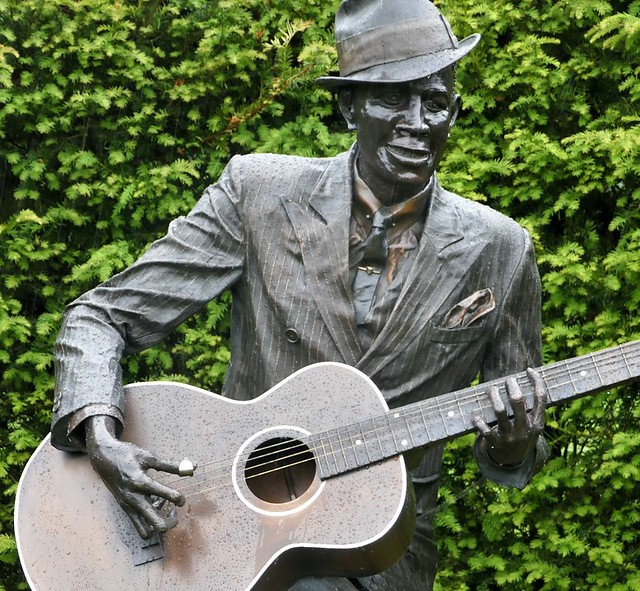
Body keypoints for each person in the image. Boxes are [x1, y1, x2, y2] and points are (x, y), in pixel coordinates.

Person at [50, 0, 549, 589]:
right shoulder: (258, 194)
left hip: (378, 550)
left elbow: (518, 454)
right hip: (219, 519)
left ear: (454, 114)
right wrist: (103, 438)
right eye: (394, 97)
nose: (417, 122)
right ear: (349, 107)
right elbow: (100, 318)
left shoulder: (500, 248)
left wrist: (513, 448)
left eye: (435, 102)